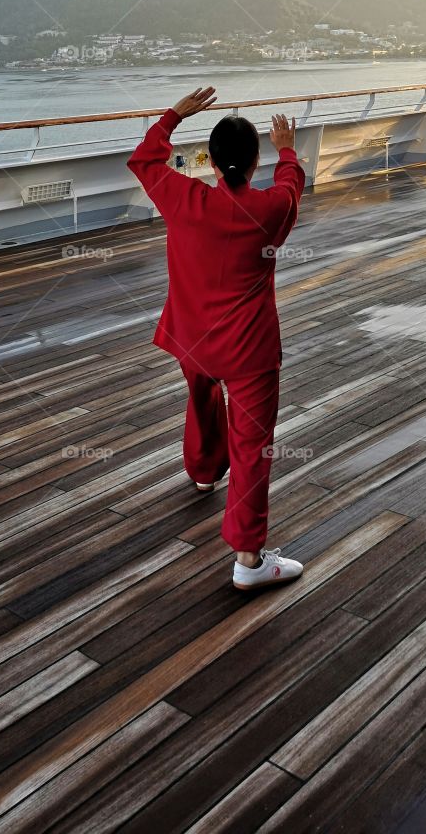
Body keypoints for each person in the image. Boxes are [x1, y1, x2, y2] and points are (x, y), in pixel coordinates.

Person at [127, 86, 306, 591]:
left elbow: (143, 160)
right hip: (248, 351)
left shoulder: (185, 199)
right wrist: (287, 148)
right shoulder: (270, 210)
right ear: (253, 163)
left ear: (211, 160)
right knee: (253, 447)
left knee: (202, 397)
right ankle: (249, 561)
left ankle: (204, 470)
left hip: (192, 338)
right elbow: (291, 186)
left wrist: (173, 116)